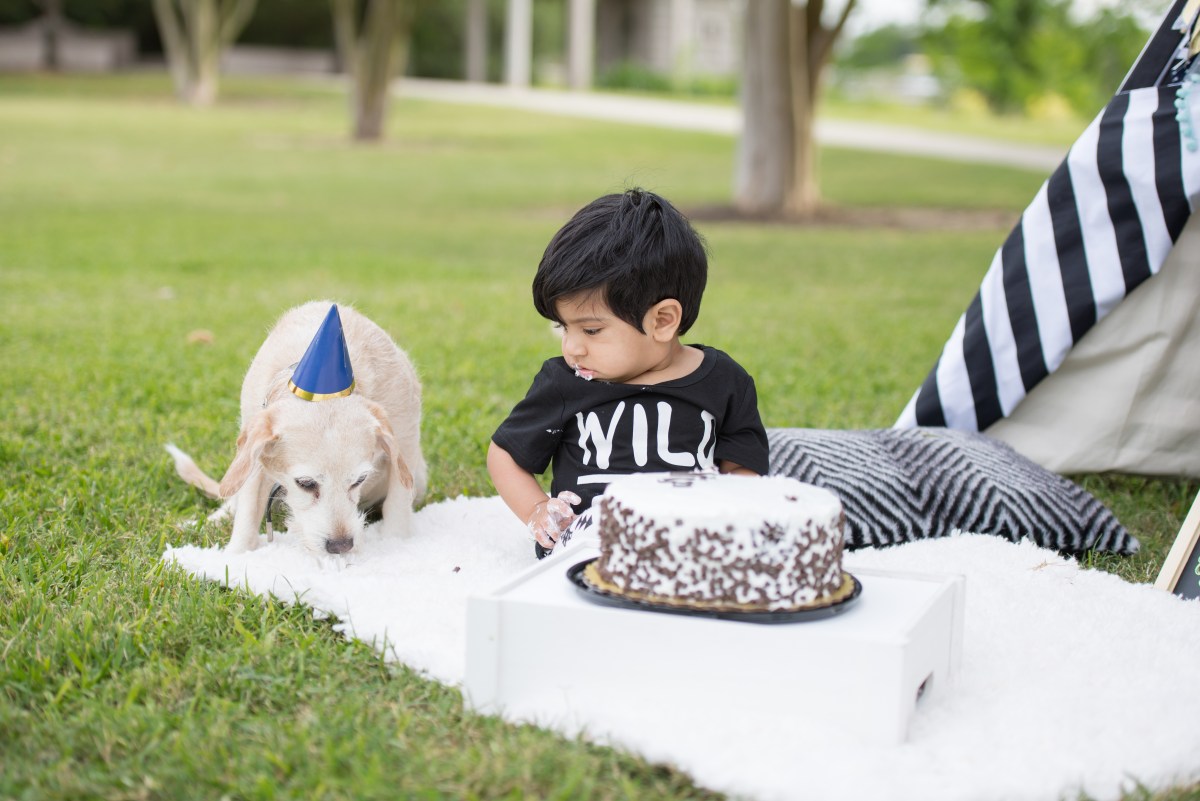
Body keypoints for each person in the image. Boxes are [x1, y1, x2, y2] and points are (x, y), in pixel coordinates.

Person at [487, 188, 770, 558]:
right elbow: (506, 454)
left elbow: (743, 467)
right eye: (563, 327)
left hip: (689, 544)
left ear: (662, 321)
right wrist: (537, 509)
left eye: (591, 330)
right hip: (589, 548)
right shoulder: (564, 383)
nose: (572, 347)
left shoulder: (723, 382)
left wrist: (732, 515)